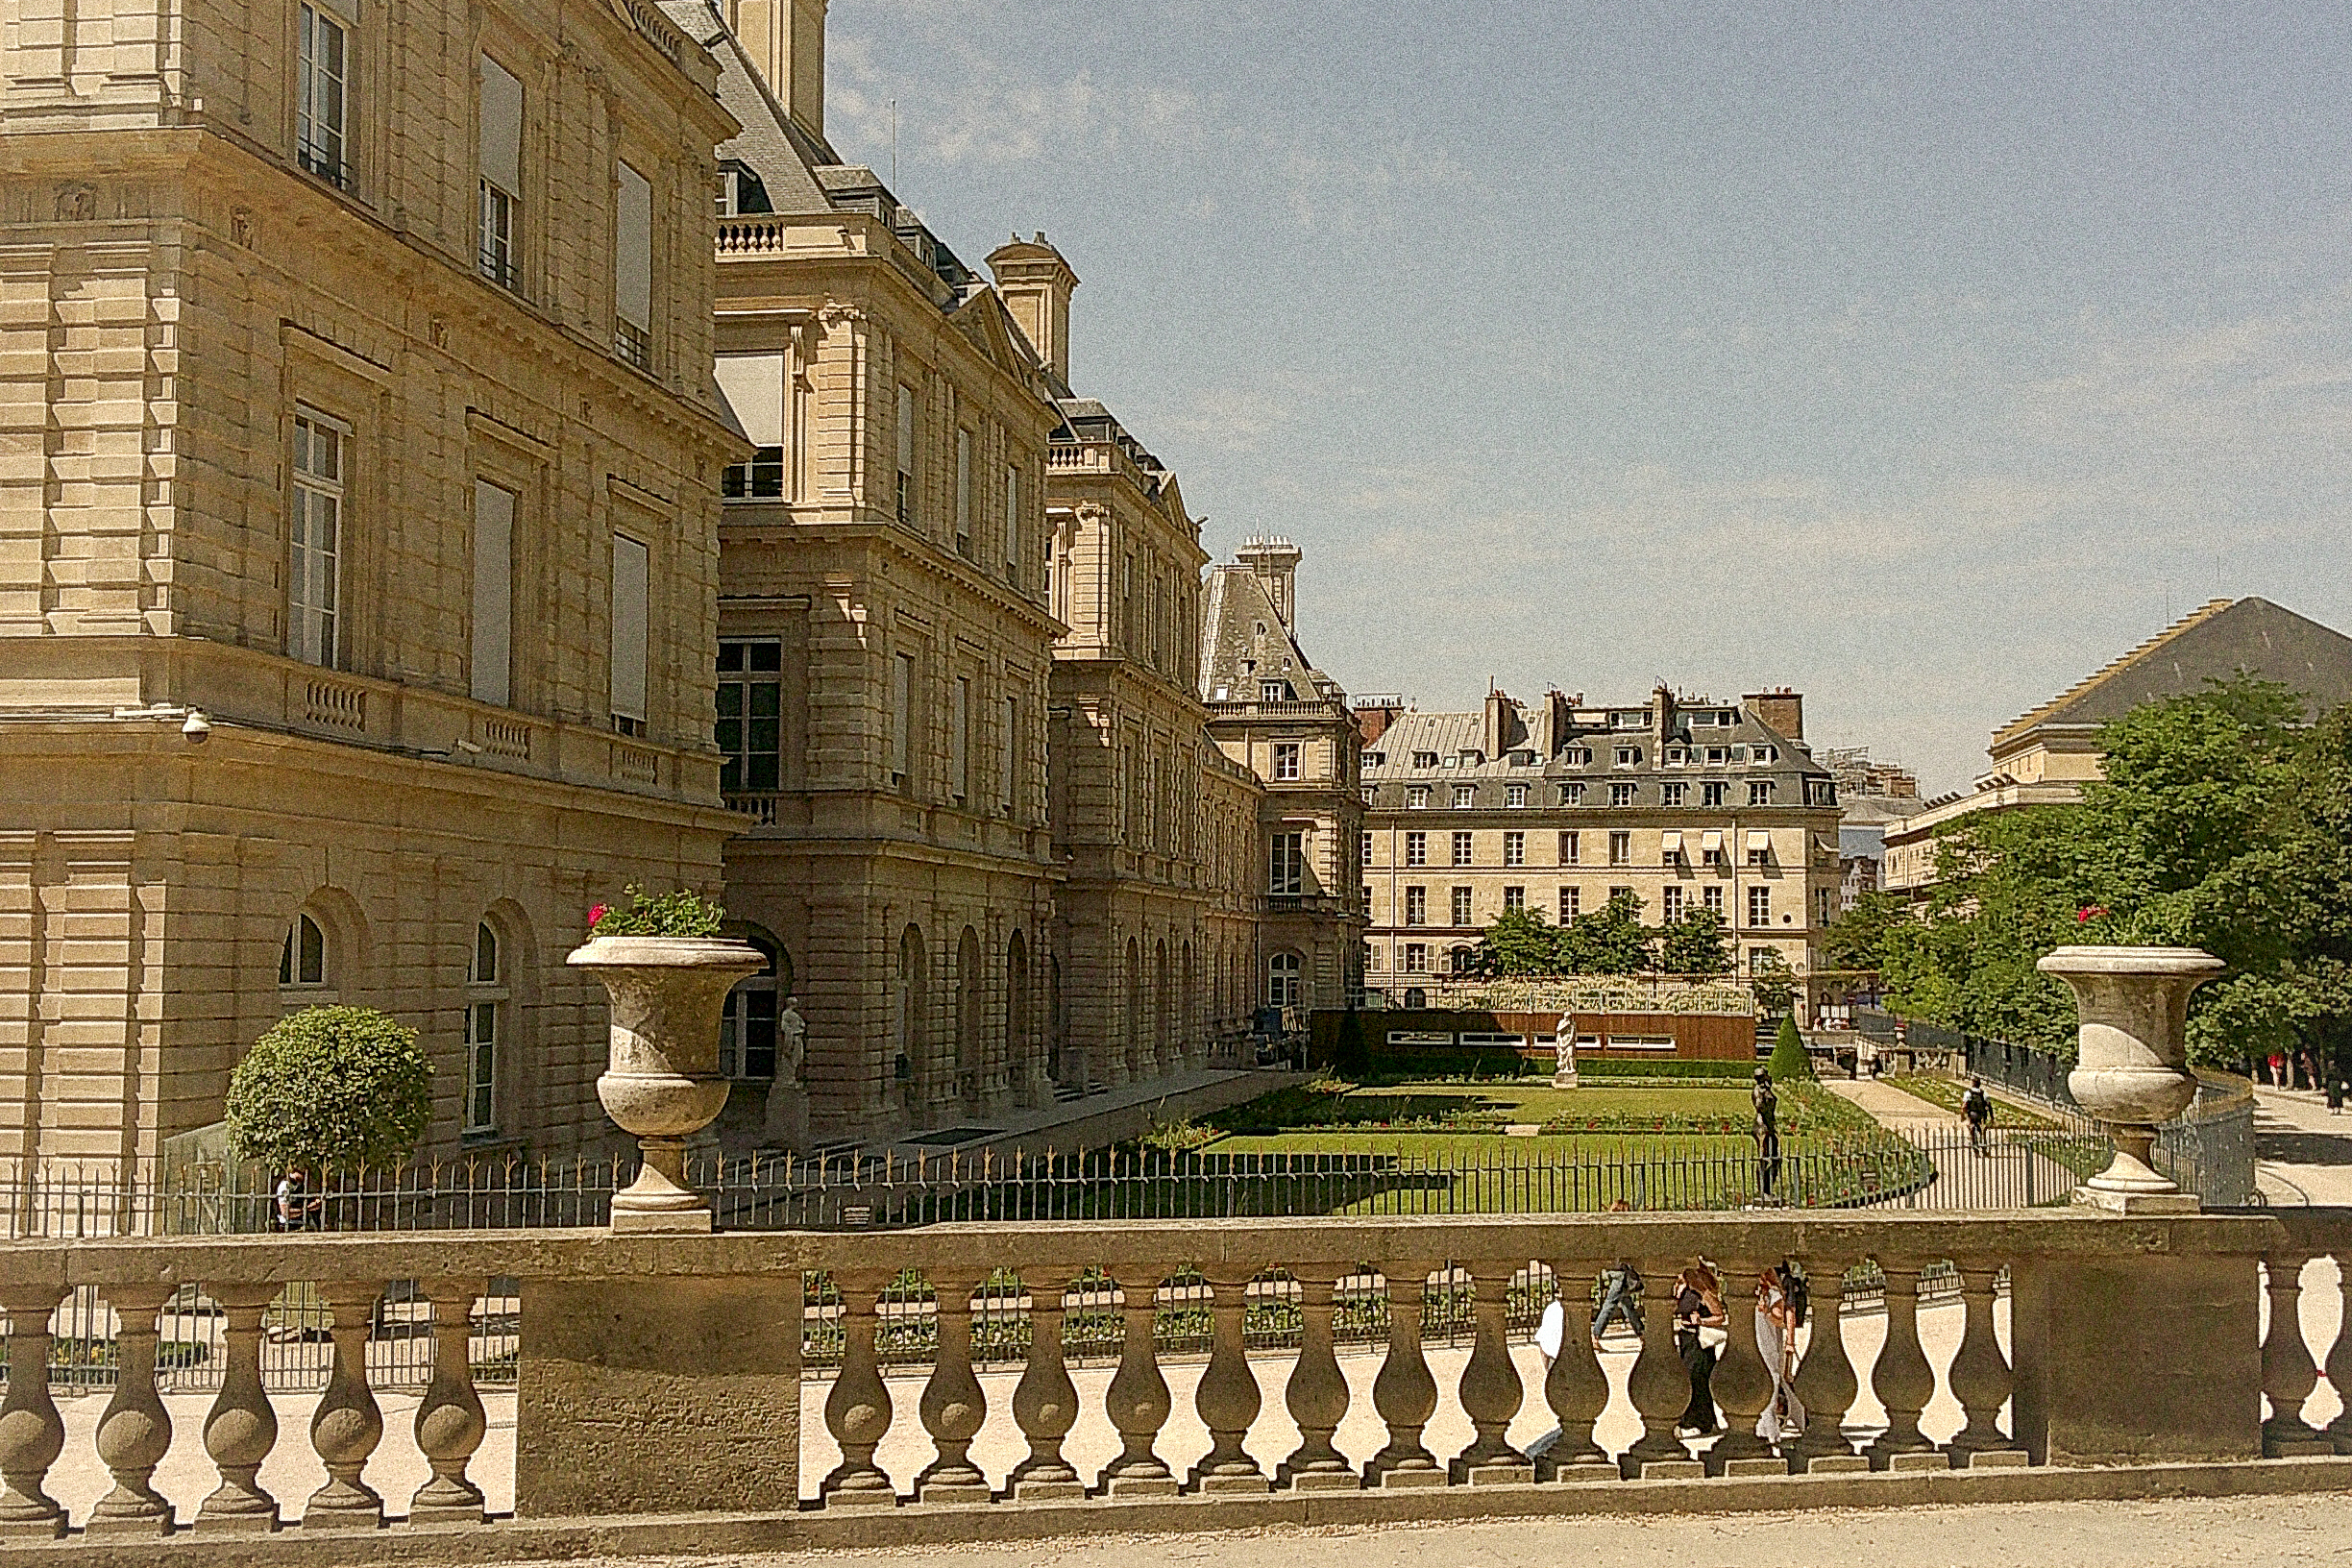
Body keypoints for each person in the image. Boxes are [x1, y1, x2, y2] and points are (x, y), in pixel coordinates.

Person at [1754, 1263, 1808, 1446]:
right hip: (1760, 1340)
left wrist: (1767, 1313)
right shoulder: (1759, 1294)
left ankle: (1769, 1429)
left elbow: (1780, 1319)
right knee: (1776, 1382)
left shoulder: (1774, 1294)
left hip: (1768, 1342)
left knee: (1773, 1381)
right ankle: (1797, 1417)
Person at [1674, 1263, 1727, 1438]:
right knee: (1689, 1378)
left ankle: (1699, 1421)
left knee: (1697, 1380)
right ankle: (1696, 1420)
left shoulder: (1705, 1293)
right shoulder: (1685, 1289)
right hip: (1686, 1338)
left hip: (1699, 1341)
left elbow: (1719, 1317)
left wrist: (1702, 1321)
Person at [274, 1168, 322, 1232]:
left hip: (302, 1221)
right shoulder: (284, 1185)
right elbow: (285, 1212)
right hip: (288, 1223)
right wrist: (306, 1209)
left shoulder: (299, 1185)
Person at [1962, 1076, 1993, 1154]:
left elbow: (1965, 1105)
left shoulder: (1968, 1093)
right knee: (1982, 1129)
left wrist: (1962, 1114)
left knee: (1971, 1125)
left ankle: (1974, 1143)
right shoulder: (1984, 1093)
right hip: (1981, 1114)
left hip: (1972, 1113)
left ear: (1972, 1083)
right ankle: (1983, 1145)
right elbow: (1989, 1105)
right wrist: (1992, 1117)